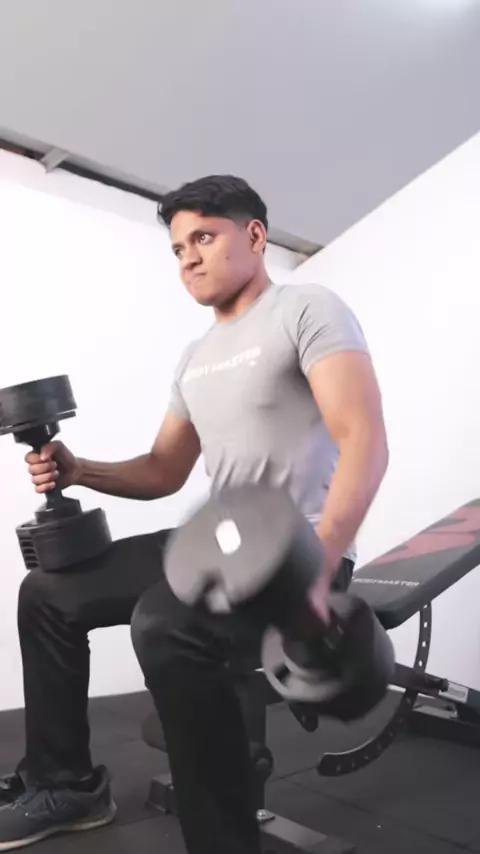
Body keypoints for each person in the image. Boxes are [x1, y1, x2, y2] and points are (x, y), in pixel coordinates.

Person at [0, 175, 389, 853]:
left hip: (293, 550)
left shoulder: (307, 309)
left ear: (255, 235)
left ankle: (222, 841)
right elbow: (163, 470)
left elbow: (364, 439)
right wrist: (79, 468)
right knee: (49, 594)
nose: (188, 259)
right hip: (217, 541)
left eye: (203, 238)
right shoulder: (196, 357)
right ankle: (67, 784)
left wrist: (321, 568)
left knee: (164, 623)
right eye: (179, 248)